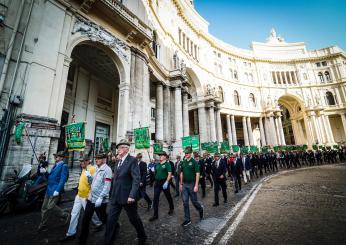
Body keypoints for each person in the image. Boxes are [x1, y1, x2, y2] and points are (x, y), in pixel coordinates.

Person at [105, 140, 147, 245]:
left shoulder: (132, 160)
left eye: (119, 148)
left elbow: (136, 179)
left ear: (125, 149)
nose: (118, 150)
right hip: (115, 197)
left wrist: (132, 195)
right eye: (118, 148)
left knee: (134, 219)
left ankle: (142, 236)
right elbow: (116, 178)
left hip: (127, 197)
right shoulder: (118, 161)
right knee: (110, 220)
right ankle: (108, 241)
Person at [60, 155, 101, 242]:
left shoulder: (93, 169)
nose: (81, 163)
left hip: (86, 196)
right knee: (74, 213)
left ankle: (99, 223)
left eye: (83, 161)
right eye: (80, 161)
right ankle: (71, 233)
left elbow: (95, 184)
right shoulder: (83, 169)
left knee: (90, 213)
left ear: (88, 161)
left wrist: (90, 195)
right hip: (79, 195)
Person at [79, 152, 112, 245]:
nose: (96, 160)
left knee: (103, 218)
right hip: (91, 199)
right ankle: (82, 241)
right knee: (85, 220)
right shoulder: (96, 168)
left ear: (104, 159)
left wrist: (101, 198)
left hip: (100, 200)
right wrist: (89, 177)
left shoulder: (107, 170)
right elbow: (92, 183)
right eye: (96, 158)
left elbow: (107, 186)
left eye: (99, 158)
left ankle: (114, 226)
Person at [37, 151, 69, 232]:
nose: (56, 158)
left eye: (57, 156)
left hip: (55, 189)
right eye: (55, 156)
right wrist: (45, 172)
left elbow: (63, 179)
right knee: (44, 207)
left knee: (50, 206)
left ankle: (65, 215)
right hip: (49, 188)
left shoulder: (64, 166)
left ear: (62, 158)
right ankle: (42, 225)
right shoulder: (55, 165)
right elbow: (50, 176)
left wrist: (58, 190)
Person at [179, 147, 204, 226]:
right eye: (185, 153)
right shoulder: (183, 162)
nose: (186, 154)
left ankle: (200, 209)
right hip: (185, 185)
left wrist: (196, 185)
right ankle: (187, 219)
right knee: (185, 202)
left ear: (190, 153)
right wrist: (180, 183)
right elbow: (181, 173)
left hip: (192, 184)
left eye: (187, 153)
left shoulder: (194, 162)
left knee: (194, 202)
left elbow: (197, 173)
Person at [149, 151, 174, 221]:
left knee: (168, 196)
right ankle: (155, 215)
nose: (160, 156)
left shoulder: (167, 164)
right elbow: (156, 174)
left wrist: (166, 182)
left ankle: (171, 208)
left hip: (164, 182)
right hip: (157, 183)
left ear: (165, 157)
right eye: (159, 155)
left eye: (161, 155)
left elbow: (169, 174)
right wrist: (153, 171)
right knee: (155, 198)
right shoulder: (157, 164)